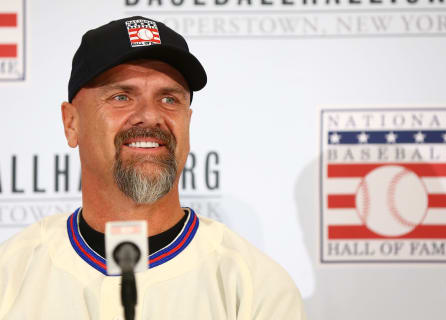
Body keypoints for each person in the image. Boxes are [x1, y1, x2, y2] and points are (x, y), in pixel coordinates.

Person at [0, 16, 306, 319]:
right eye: (121, 96)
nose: (149, 116)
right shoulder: (11, 273)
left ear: (188, 120)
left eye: (169, 99)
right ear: (71, 123)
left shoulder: (256, 287)